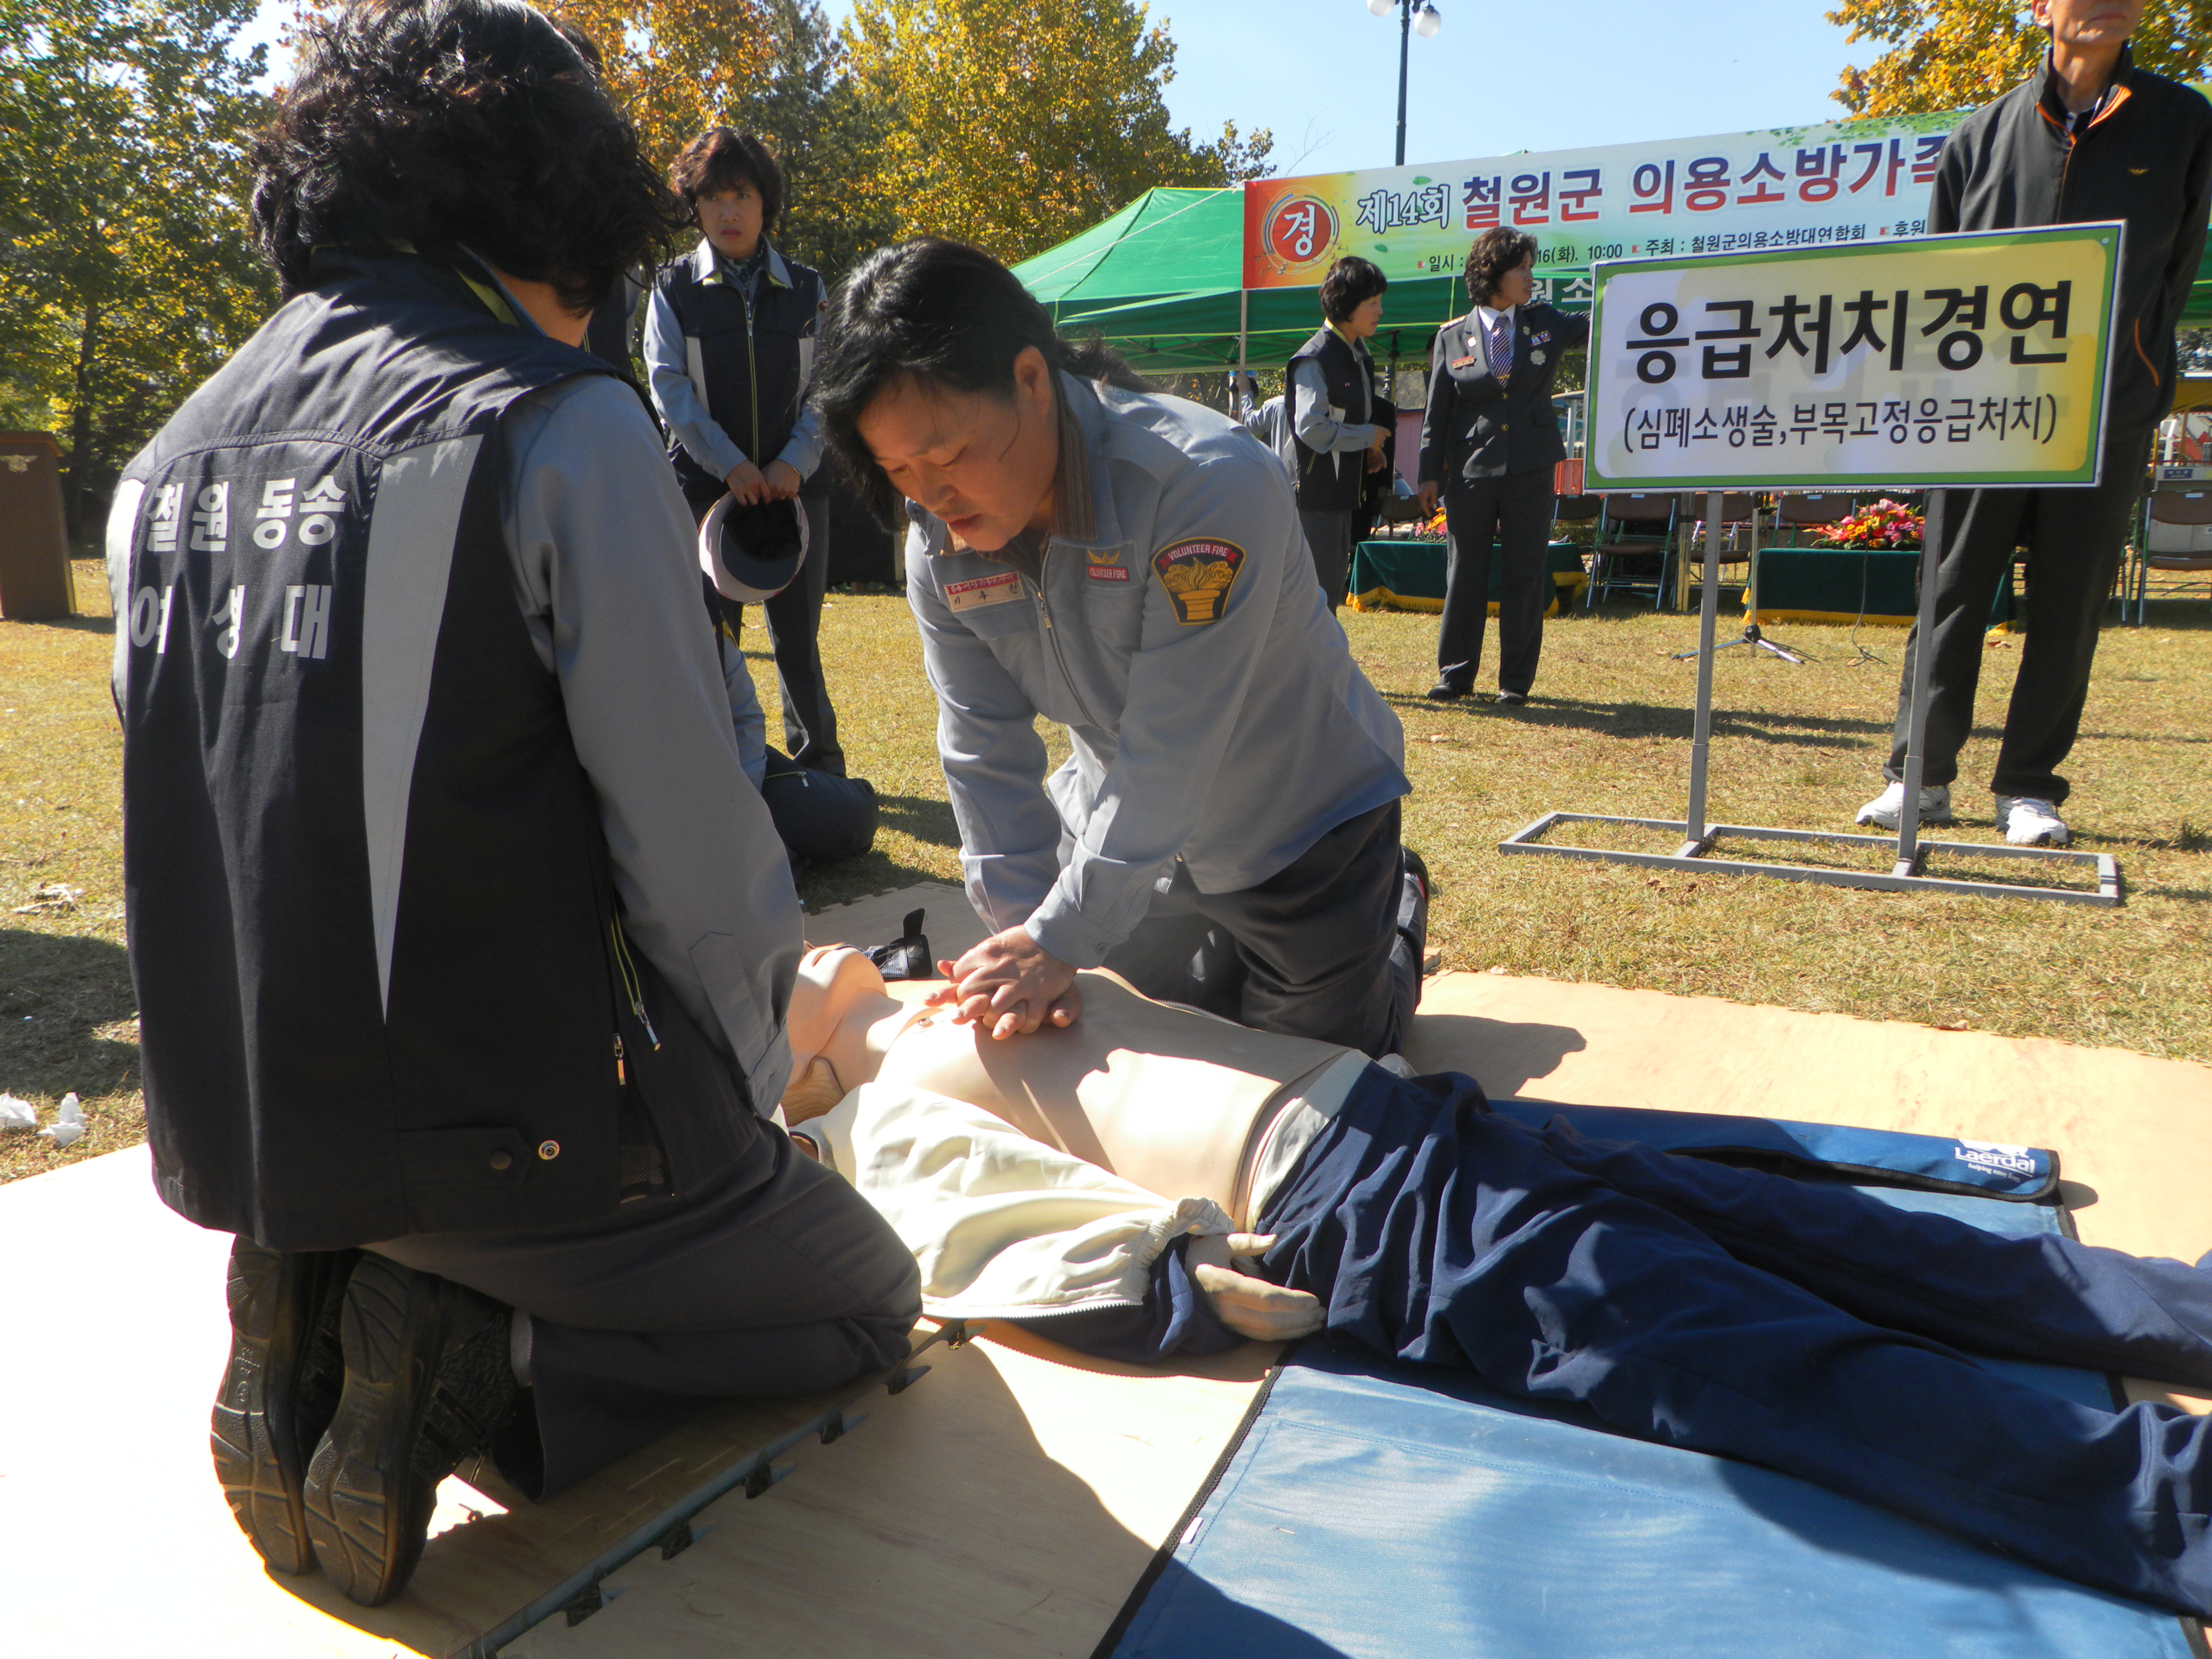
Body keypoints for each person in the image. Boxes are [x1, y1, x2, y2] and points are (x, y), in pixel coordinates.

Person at [109, 0, 917, 1607]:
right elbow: (692, 848)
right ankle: (488, 1348)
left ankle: (336, 1287)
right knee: (860, 1297)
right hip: (507, 1146)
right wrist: (764, 1085)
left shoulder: (162, 463)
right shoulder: (555, 425)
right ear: (563, 213)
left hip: (256, 1145)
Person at [780, 945, 2212, 1621]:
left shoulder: (971, 966)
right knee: (1772, 1357)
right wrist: (1174, 1281)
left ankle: (2181, 1308)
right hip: (1362, 1209)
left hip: (1411, 1115)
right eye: (770, 973)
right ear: (786, 1078)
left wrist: (1053, 944)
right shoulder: (866, 1121)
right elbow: (985, 1233)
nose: (798, 945)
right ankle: (2176, 1502)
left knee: (1832, 1234)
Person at [810, 239, 1425, 1059]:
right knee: (1133, 1045)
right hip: (1126, 838)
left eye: (947, 456)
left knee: (1313, 1070)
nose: (931, 498)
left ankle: (1397, 913)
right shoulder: (938, 542)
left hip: (1304, 834)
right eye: (898, 471)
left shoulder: (1204, 483)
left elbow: (1173, 742)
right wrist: (1028, 932)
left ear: (1031, 381)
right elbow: (981, 748)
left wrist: (1063, 938)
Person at [1854, 0, 2212, 846]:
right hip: (1982, 409)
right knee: (1950, 590)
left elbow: (2175, 266)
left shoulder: (2181, 122)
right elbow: (1940, 274)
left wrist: (2137, 368)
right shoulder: (1982, 134)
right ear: (2041, 8)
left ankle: (2026, 789)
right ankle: (1918, 777)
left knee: (2069, 602)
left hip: (2104, 410)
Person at [645, 126, 846, 776]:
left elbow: (829, 386)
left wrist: (794, 462)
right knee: (711, 640)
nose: (727, 211)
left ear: (766, 204)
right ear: (694, 205)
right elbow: (668, 385)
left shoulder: (810, 288)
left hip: (797, 490)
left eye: (742, 195)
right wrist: (729, 464)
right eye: (712, 197)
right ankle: (715, 770)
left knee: (798, 643)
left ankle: (820, 771)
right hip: (707, 494)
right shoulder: (672, 287)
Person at [1418, 229, 1590, 707]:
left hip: (1532, 468)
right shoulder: (1452, 336)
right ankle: (1455, 675)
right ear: (1493, 274)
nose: (1531, 277)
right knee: (1464, 572)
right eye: (1522, 269)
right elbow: (1436, 414)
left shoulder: (1546, 321)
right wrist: (1429, 474)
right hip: (1471, 471)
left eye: (1531, 267)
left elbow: (1601, 320)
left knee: (1525, 573)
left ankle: (1515, 682)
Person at [1287, 257, 1392, 610]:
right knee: (1315, 598)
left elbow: (1346, 418)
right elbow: (1311, 428)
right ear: (1347, 305)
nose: (1380, 311)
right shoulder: (1314, 358)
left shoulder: (1359, 355)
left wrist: (1366, 450)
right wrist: (1366, 437)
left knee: (1330, 592)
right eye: (1372, 302)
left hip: (1343, 497)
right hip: (1314, 500)